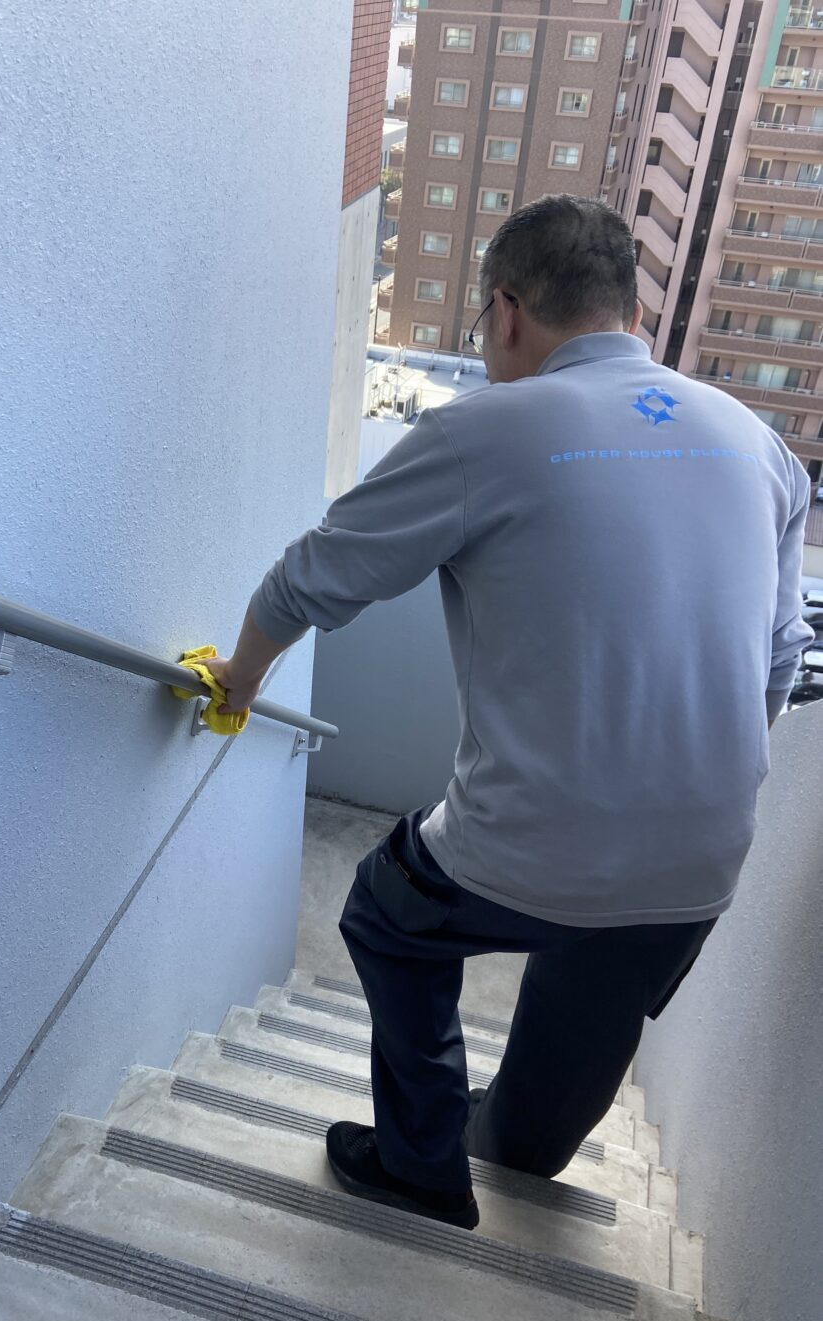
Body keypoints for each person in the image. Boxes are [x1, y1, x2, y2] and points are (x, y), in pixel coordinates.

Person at [204, 194, 813, 1231]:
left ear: (506, 310)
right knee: (598, 975)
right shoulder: (758, 445)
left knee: (387, 915)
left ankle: (422, 1165)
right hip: (701, 858)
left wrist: (243, 676)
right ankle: (518, 1157)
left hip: (531, 846)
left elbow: (312, 577)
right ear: (633, 315)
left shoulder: (486, 430)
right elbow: (783, 656)